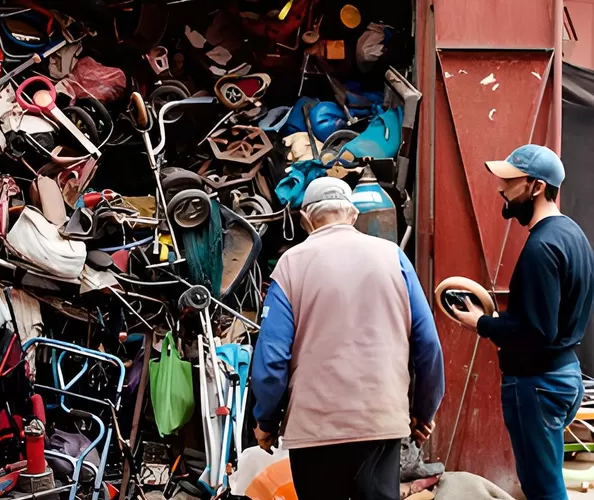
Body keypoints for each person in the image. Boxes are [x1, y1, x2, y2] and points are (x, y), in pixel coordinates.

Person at [251, 177, 445, 500]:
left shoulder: (290, 266)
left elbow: (271, 358)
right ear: (353, 215)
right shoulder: (393, 257)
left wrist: (265, 421)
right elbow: (428, 345)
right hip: (380, 424)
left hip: (314, 433)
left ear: (305, 220)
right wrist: (422, 414)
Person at [452, 144, 594, 500]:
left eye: (511, 181)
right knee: (547, 478)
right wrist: (502, 318)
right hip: (563, 375)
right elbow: (548, 321)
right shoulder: (573, 236)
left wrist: (481, 323)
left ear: (536, 186)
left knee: (542, 488)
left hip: (538, 384)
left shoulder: (540, 248)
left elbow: (535, 333)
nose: (502, 189)